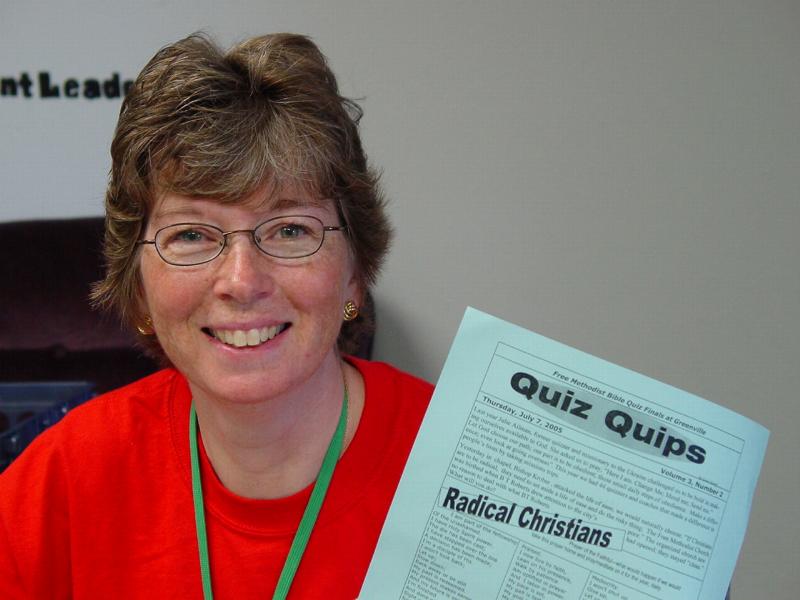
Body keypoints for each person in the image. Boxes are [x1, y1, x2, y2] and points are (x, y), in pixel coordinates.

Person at [0, 33, 432, 599]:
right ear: (138, 285)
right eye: (191, 235)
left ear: (354, 272)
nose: (241, 282)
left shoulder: (465, 461)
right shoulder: (58, 481)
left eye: (290, 229)